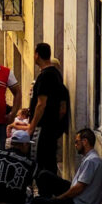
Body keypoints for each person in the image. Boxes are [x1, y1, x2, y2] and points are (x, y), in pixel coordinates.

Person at [32, 128, 102, 204]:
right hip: (77, 195)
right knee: (44, 175)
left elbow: (78, 188)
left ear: (85, 141)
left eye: (77, 142)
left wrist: (59, 198)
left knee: (36, 202)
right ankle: (49, 202)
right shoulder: (90, 158)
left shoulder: (91, 161)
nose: (75, 145)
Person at [27, 42, 66, 174]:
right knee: (49, 161)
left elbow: (41, 104)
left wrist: (32, 126)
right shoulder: (55, 74)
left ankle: (46, 192)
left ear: (37, 55)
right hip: (51, 126)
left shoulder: (45, 76)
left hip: (43, 127)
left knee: (41, 160)